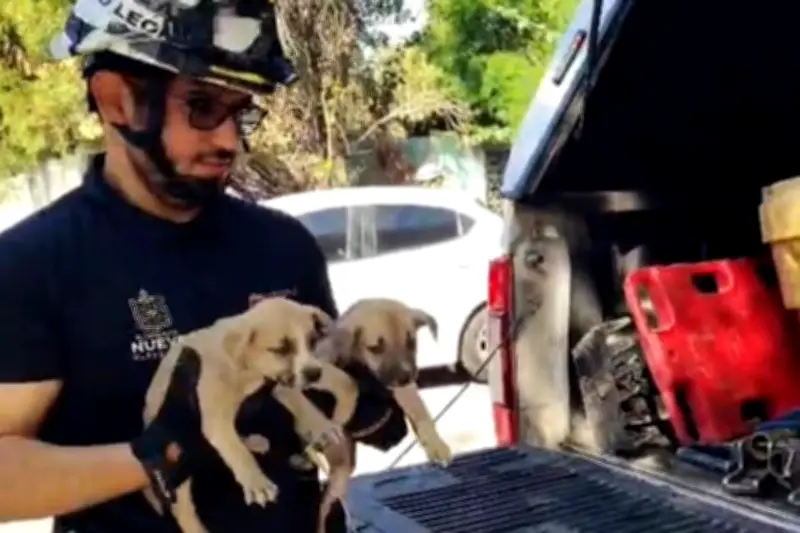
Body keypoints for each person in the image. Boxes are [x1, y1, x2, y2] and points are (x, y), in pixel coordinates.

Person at [0, 1, 408, 532]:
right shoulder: (32, 265)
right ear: (116, 100)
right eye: (201, 107)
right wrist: (156, 455)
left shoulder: (283, 245)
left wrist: (363, 402)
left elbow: (327, 403)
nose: (228, 141)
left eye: (239, 112)